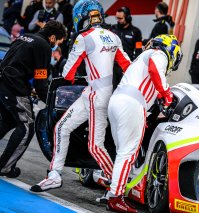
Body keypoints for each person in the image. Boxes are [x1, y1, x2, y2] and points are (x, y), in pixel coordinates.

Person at [30, 0, 131, 192]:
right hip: (98, 94)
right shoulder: (114, 37)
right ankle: (54, 174)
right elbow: (128, 66)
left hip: (95, 96)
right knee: (62, 128)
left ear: (83, 17)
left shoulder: (83, 38)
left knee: (94, 146)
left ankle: (117, 184)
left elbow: (68, 74)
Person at [100, 34, 182, 213]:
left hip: (118, 100)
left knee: (121, 150)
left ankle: (111, 192)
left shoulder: (141, 58)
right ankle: (116, 197)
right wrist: (167, 94)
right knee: (127, 153)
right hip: (132, 102)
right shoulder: (159, 54)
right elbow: (155, 70)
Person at [0, 20, 66, 178]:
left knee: (8, 122)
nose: (56, 46)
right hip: (13, 87)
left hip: (3, 82)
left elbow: (14, 63)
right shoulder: (43, 46)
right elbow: (41, 81)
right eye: (58, 42)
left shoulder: (25, 37)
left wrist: (30, 89)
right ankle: (5, 167)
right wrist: (51, 102)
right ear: (52, 37)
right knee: (27, 126)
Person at [111, 6, 142, 88]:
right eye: (116, 18)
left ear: (128, 18)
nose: (118, 20)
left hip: (126, 68)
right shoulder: (112, 29)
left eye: (120, 18)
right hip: (111, 67)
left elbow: (139, 50)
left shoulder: (136, 32)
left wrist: (135, 66)